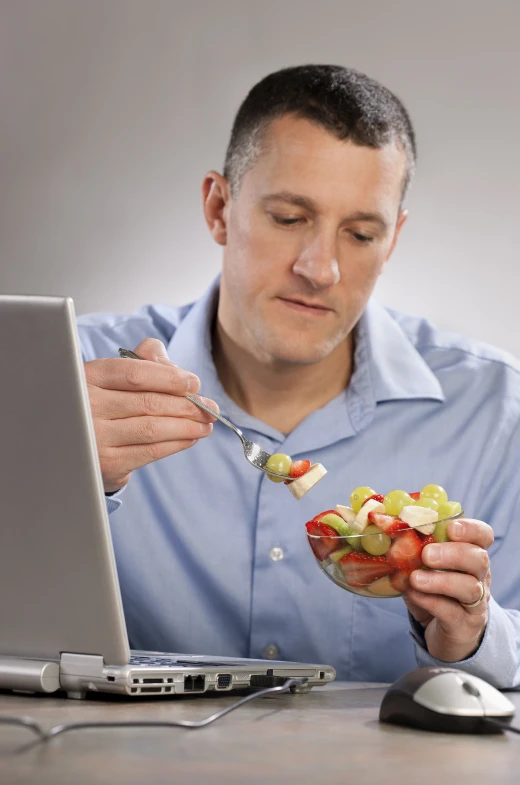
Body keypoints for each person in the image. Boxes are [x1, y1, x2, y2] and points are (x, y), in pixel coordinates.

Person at [79, 64, 520, 687]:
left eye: (361, 233)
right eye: (289, 218)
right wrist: (55, 477)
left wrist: (476, 638)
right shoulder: (72, 376)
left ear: (392, 240)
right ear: (218, 208)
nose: (321, 269)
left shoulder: (495, 408)